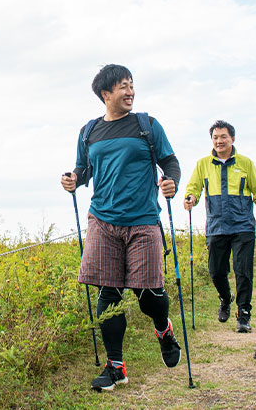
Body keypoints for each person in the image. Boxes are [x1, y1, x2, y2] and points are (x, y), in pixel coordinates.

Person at [60, 64, 183, 392]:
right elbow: (83, 170)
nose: (129, 92)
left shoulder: (147, 125)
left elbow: (170, 162)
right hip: (102, 221)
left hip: (143, 221)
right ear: (105, 94)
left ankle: (163, 329)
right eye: (122, 87)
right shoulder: (89, 131)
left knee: (148, 295)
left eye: (131, 85)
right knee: (108, 292)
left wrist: (170, 181)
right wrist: (73, 180)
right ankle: (115, 367)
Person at [183, 120, 256, 333]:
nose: (219, 141)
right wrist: (190, 198)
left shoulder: (245, 163)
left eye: (223, 137)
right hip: (216, 226)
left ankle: (244, 313)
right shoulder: (203, 164)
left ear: (232, 139)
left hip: (243, 225)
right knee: (216, 270)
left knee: (243, 270)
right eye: (215, 137)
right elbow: (194, 188)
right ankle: (226, 298)